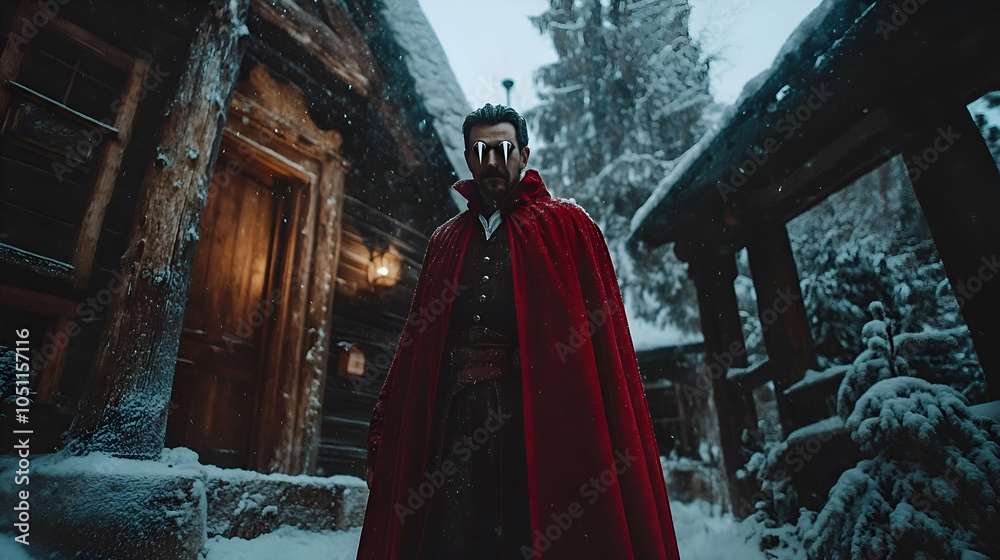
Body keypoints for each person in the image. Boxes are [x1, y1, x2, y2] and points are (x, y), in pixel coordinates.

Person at [357, 104, 680, 560]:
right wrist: (384, 426)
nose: (492, 160)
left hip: (537, 431)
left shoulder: (568, 227)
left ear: (524, 155)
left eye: (504, 148)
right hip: (453, 431)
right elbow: (415, 347)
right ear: (468, 159)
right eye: (480, 151)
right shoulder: (445, 241)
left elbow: (602, 352)